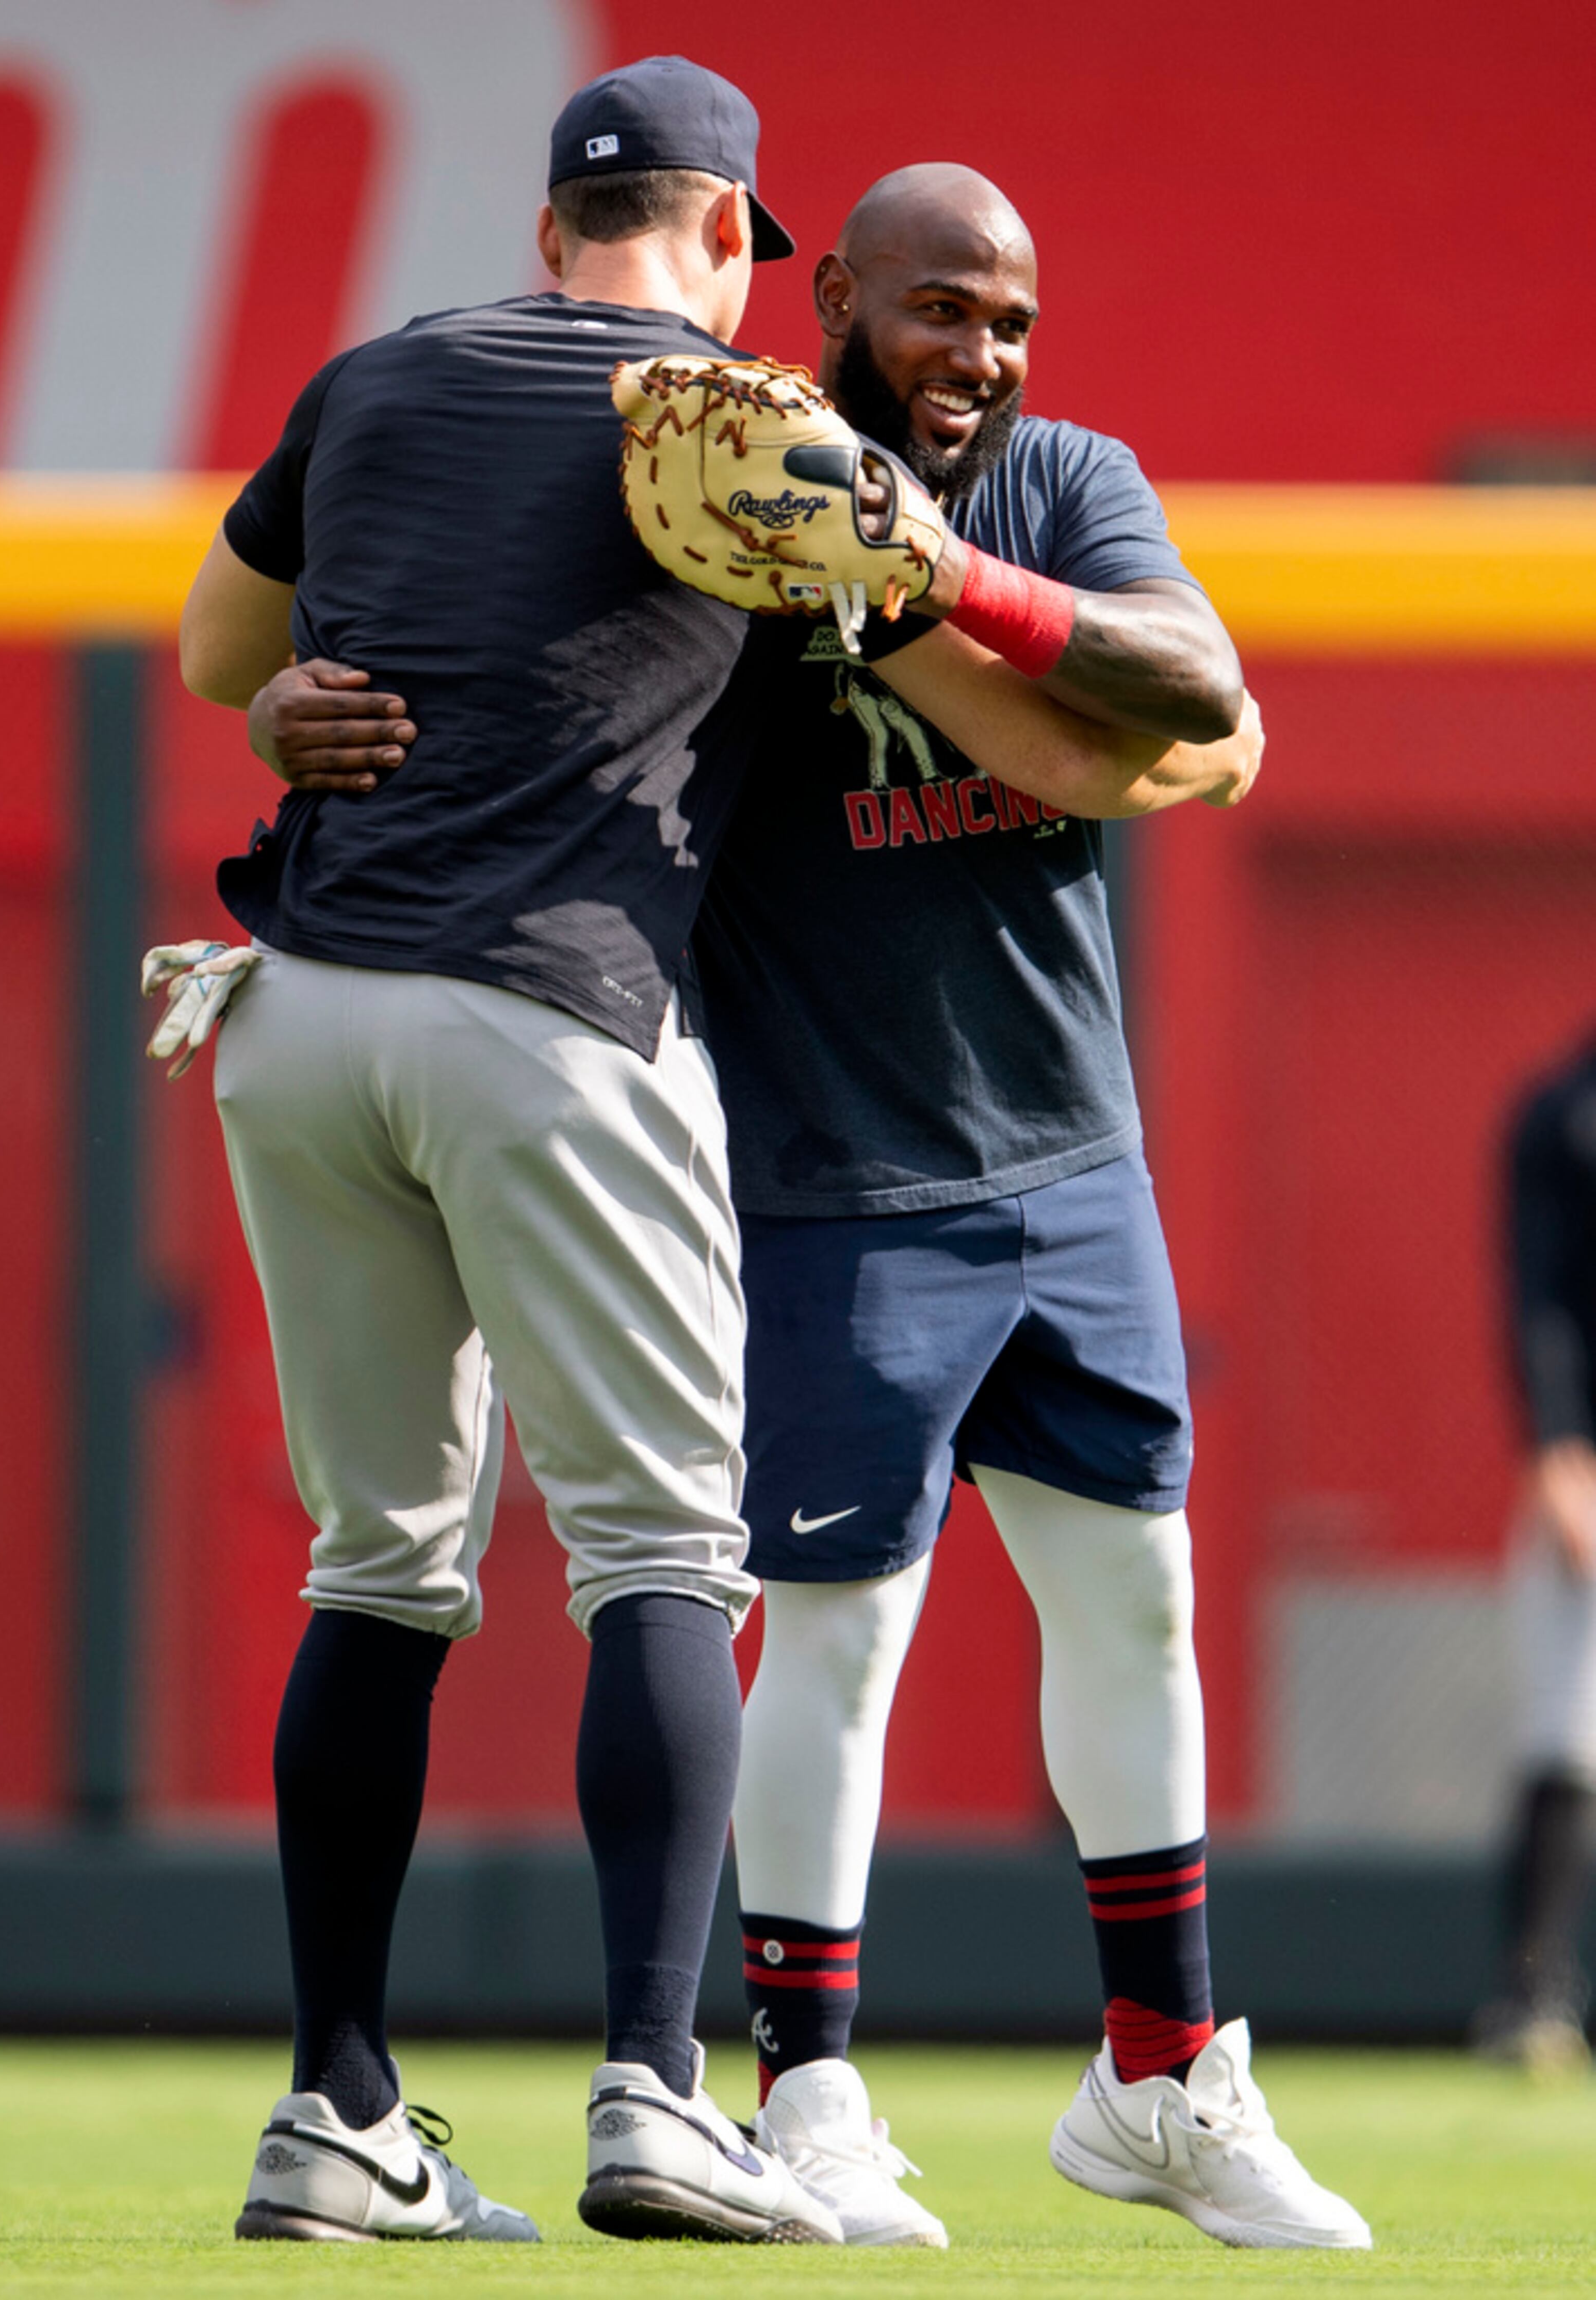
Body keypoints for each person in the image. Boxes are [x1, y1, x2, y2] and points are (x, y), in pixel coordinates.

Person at [255, 163, 1369, 2252]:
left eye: (1010, 320)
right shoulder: (722, 480)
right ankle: (813, 2092)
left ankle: (1166, 2073)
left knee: (1137, 1601)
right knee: (842, 1636)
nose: (979, 354)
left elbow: (1199, 698)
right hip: (829, 1165)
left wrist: (942, 575)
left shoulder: (1066, 479)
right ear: (831, 292)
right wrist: (278, 707)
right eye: (939, 310)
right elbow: (512, 697)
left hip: (1068, 1147)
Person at [174, 54, 841, 2245]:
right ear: (731, 235)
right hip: (552, 1014)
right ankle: (658, 2086)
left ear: (556, 226)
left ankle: (335, 2108)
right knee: (661, 1547)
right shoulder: (744, 426)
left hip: (302, 1009)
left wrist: (282, 715)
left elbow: (217, 653)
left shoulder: (375, 373)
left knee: (378, 1563)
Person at [1471, 1029, 1596, 2076]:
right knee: (1567, 1729)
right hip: (1591, 1466)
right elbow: (1538, 1298)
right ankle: (1535, 1993)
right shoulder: (1564, 1111)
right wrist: (1557, 1448)